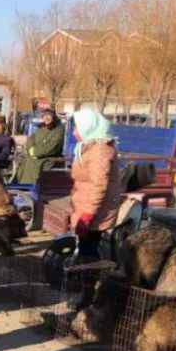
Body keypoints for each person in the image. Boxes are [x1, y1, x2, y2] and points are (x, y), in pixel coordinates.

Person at [69, 108, 124, 258]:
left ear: (88, 127)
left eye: (77, 128)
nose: (74, 132)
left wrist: (88, 214)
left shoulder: (99, 151)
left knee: (88, 250)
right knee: (85, 247)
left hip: (95, 210)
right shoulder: (89, 147)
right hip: (86, 205)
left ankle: (90, 271)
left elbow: (99, 186)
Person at [16, 106, 64, 184]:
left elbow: (52, 147)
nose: (46, 118)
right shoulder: (41, 128)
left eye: (49, 115)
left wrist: (35, 152)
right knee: (24, 160)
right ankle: (22, 184)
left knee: (33, 163)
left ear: (53, 117)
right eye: (44, 116)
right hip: (36, 155)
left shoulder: (58, 130)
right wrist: (31, 149)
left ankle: (31, 185)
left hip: (49, 158)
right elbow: (30, 139)